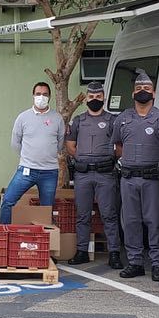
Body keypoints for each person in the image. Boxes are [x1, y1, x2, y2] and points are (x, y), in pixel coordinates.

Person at [113, 70, 159, 280]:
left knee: (154, 221)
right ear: (132, 93)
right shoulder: (123, 118)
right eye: (138, 89)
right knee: (130, 221)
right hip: (128, 178)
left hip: (153, 179)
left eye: (146, 89)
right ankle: (135, 262)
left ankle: (157, 263)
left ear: (153, 93)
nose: (142, 92)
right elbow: (118, 146)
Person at [64, 81, 122, 269]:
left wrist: (105, 158)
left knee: (109, 215)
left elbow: (120, 148)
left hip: (105, 174)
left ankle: (114, 253)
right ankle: (81, 251)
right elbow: (70, 146)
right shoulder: (79, 121)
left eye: (98, 97)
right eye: (91, 97)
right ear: (86, 99)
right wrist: (84, 158)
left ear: (104, 98)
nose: (94, 100)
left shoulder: (113, 120)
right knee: (82, 215)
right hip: (83, 175)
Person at [0, 82, 65, 224]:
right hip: (26, 170)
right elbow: (15, 143)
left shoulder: (57, 118)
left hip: (49, 172)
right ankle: (2, 234)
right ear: (33, 96)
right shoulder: (23, 117)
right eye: (38, 94)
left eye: (45, 94)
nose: (41, 97)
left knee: (46, 209)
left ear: (50, 97)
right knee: (8, 201)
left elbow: (60, 144)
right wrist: (28, 158)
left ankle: (45, 241)